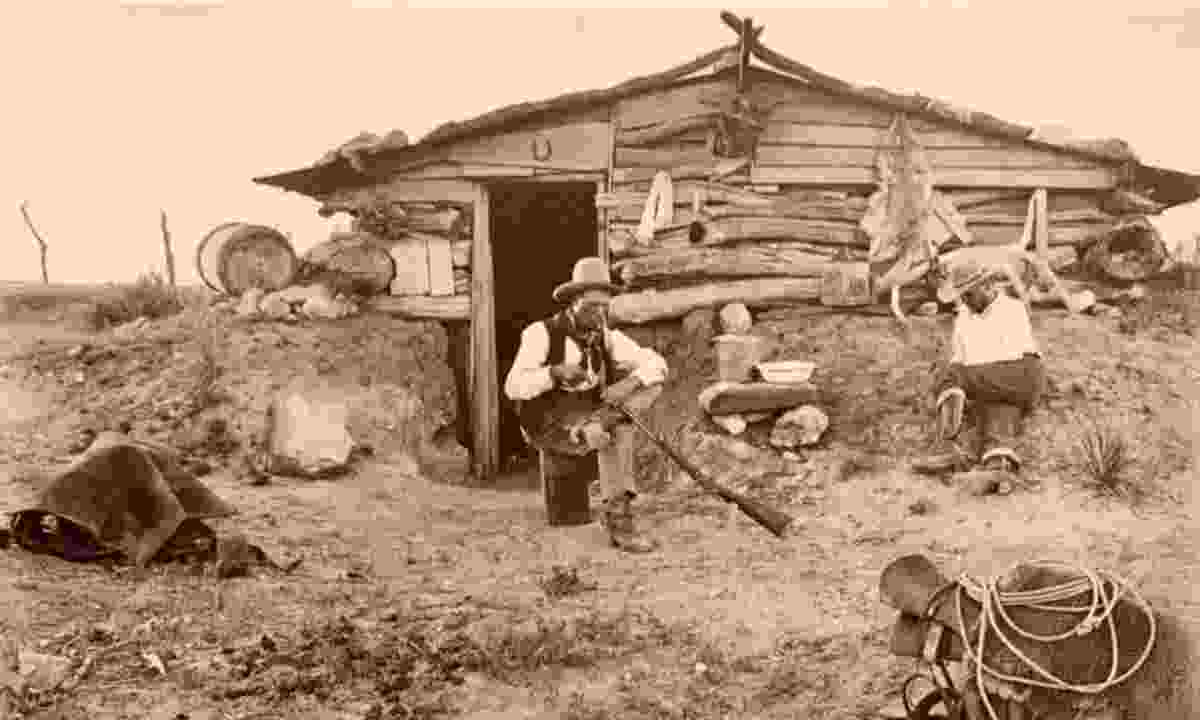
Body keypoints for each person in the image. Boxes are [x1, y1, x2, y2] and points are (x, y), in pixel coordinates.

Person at [504, 257, 668, 553]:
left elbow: (656, 363)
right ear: (573, 302)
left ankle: (618, 520)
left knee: (643, 394)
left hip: (594, 417)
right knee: (616, 430)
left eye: (604, 306)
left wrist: (627, 384)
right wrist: (553, 373)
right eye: (591, 305)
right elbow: (512, 386)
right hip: (550, 422)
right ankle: (594, 430)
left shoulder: (608, 338)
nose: (599, 313)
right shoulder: (541, 333)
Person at [917, 257, 1045, 477]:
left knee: (954, 375)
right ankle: (997, 464)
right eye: (962, 296)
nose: (965, 301)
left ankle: (946, 445)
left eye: (969, 294)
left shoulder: (1012, 310)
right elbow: (962, 358)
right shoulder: (964, 320)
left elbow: (1004, 358)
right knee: (1000, 406)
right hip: (995, 386)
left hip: (1022, 375)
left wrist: (958, 383)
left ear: (987, 286)